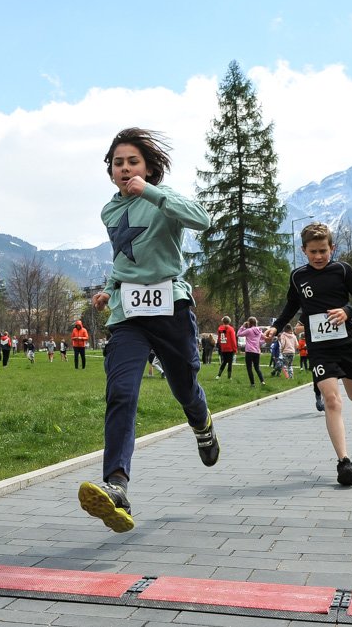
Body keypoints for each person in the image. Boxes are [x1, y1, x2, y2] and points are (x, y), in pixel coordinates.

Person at [79, 127, 218, 533]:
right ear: (110, 171)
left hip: (170, 306)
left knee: (184, 385)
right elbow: (125, 260)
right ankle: (116, 485)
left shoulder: (162, 198)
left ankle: (201, 422)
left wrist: (152, 193)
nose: (124, 169)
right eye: (117, 163)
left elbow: (202, 220)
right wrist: (108, 290)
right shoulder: (109, 212)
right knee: (121, 392)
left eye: (132, 162)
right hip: (128, 314)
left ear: (149, 168)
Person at [264, 222, 352, 487]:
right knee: (332, 400)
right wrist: (276, 327)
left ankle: (347, 380)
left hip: (346, 344)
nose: (318, 256)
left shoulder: (343, 270)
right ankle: (344, 462)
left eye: (323, 250)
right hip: (319, 348)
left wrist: (347, 311)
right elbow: (291, 306)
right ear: (304, 250)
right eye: (313, 251)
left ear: (331, 248)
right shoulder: (298, 276)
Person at [237, 317, 266, 387]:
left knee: (249, 368)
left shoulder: (249, 331)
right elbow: (264, 339)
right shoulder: (259, 331)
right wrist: (259, 343)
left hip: (249, 351)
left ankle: (252, 383)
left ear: (249, 323)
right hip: (257, 351)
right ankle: (262, 381)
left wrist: (243, 326)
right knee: (257, 367)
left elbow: (238, 334)